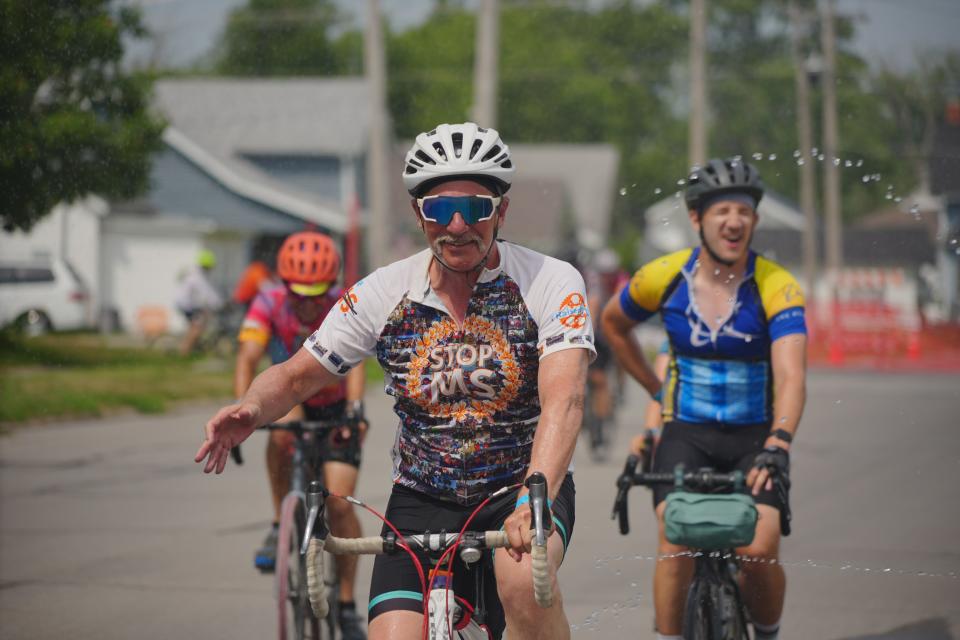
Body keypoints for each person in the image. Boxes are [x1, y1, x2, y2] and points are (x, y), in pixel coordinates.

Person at [196, 122, 594, 640]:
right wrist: (250, 409)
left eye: (475, 208)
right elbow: (296, 378)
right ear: (417, 214)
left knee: (522, 584)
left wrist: (529, 498)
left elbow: (564, 400)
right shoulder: (384, 292)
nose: (457, 226)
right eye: (438, 210)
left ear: (502, 210)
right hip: (422, 495)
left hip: (518, 485)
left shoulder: (549, 279)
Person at [601, 158, 806, 640]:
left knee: (758, 551)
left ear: (754, 220)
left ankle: (768, 632)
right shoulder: (664, 276)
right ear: (696, 219)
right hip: (685, 434)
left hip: (756, 437)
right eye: (721, 211)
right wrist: (656, 390)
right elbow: (613, 324)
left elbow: (793, 376)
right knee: (676, 545)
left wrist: (779, 442)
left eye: (743, 211)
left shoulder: (778, 286)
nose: (733, 221)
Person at [235, 231, 368, 640]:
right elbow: (248, 355)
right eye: (299, 294)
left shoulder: (343, 303)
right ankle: (280, 521)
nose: (309, 304)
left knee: (341, 506)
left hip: (335, 402)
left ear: (330, 286)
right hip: (294, 396)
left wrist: (355, 409)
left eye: (317, 293)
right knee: (280, 433)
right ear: (283, 284)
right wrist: (244, 408)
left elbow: (358, 363)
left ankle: (346, 605)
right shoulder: (268, 301)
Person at [175, 249, 224, 356]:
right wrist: (219, 304)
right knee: (197, 327)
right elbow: (207, 294)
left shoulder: (195, 274)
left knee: (197, 325)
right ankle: (184, 351)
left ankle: (190, 348)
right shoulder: (198, 277)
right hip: (187, 305)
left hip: (186, 304)